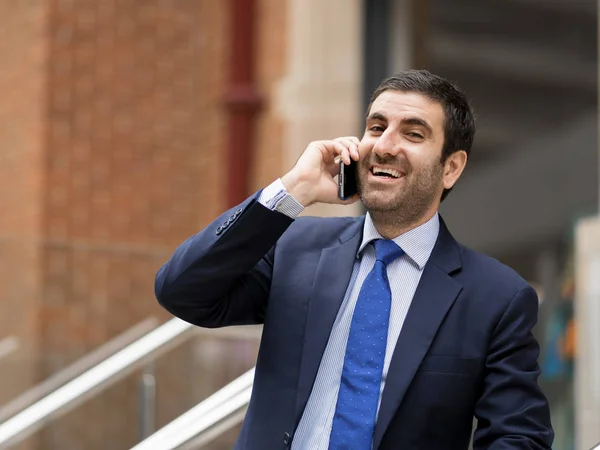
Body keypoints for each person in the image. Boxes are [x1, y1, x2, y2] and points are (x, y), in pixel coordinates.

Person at [154, 69, 554, 450]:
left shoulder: (496, 298)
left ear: (450, 168)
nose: (383, 146)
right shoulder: (296, 248)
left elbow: (518, 437)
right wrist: (293, 189)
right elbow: (182, 291)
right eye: (376, 128)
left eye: (413, 134)